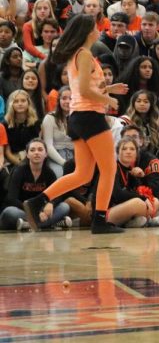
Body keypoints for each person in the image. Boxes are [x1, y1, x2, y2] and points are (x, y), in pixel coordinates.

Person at [22, 14, 128, 234]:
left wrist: (109, 89)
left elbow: (85, 90)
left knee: (83, 174)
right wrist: (108, 100)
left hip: (79, 117)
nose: (100, 29)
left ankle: (38, 201)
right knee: (109, 169)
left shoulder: (78, 55)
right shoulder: (85, 54)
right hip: (90, 116)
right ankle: (100, 220)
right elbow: (84, 91)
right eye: (96, 27)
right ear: (89, 31)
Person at [1, 139, 71, 231]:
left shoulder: (49, 173)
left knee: (64, 207)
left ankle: (28, 225)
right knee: (9, 212)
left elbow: (58, 195)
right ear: (27, 154)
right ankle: (50, 224)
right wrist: (33, 211)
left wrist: (51, 203)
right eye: (32, 150)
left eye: (40, 150)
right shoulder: (19, 171)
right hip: (23, 210)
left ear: (46, 154)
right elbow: (11, 198)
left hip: (41, 212)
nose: (36, 153)